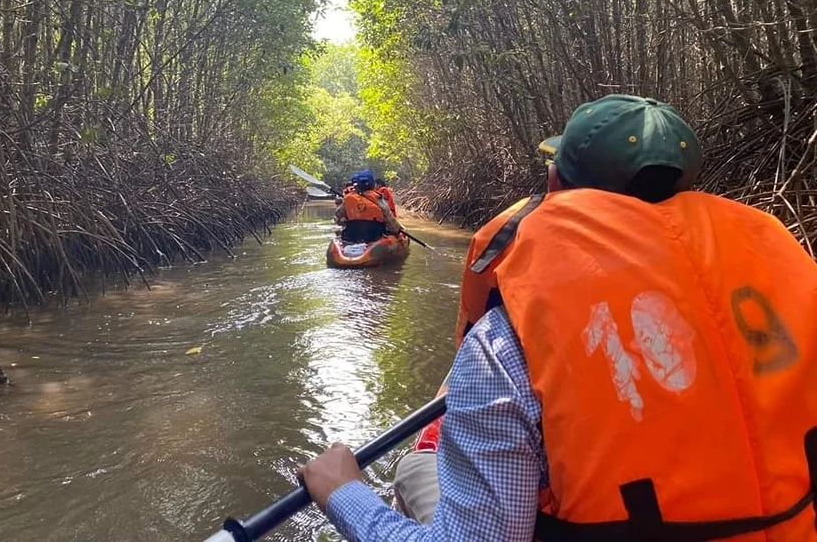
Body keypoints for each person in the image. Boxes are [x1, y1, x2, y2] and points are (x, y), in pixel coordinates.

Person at [299, 94, 817, 541]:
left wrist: (343, 493)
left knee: (417, 465)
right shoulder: (792, 283)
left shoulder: (508, 342)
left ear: (553, 180)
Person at [334, 170, 401, 244]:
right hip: (374, 237)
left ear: (357, 185)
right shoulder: (378, 199)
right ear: (373, 185)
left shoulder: (348, 198)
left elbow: (338, 214)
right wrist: (398, 231)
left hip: (352, 237)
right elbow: (390, 221)